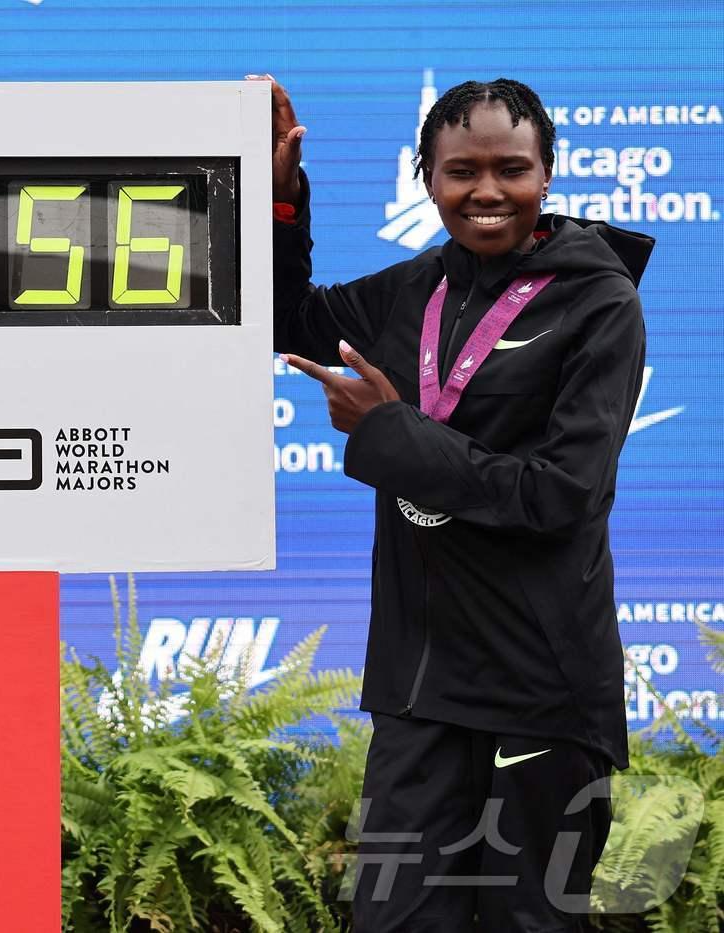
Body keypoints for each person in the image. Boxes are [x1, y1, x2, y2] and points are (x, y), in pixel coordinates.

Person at [254, 74, 653, 931]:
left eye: (510, 168)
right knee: (392, 919)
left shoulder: (600, 302)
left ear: (547, 173)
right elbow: (288, 322)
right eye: (460, 170)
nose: (486, 191)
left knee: (531, 921)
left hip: (543, 685)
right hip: (421, 687)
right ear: (425, 177)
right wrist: (283, 201)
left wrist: (391, 433)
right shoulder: (414, 291)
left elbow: (560, 494)